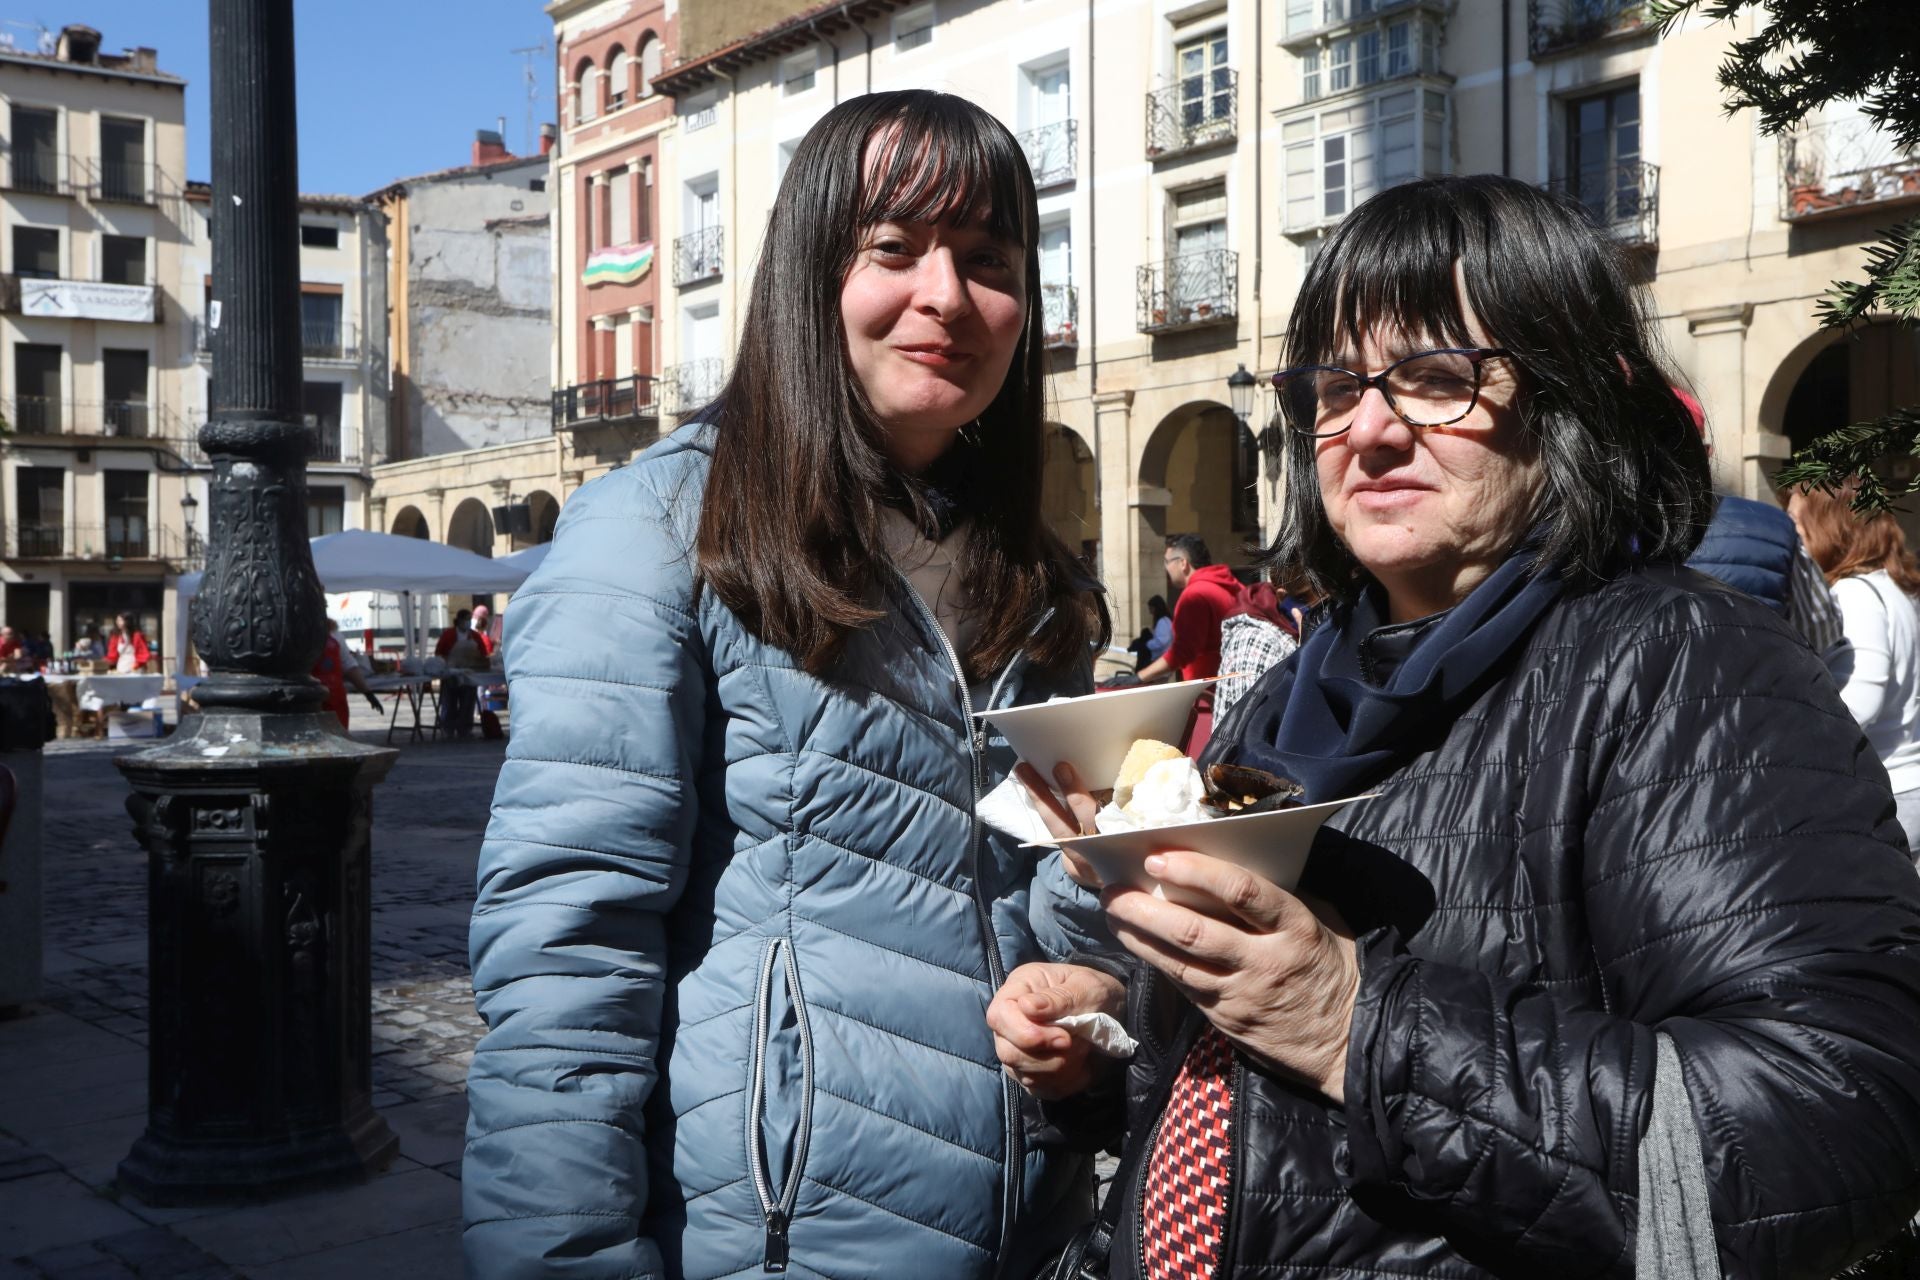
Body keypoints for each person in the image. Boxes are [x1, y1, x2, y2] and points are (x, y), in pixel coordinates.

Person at [989, 174, 1920, 1276]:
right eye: (1336, 387)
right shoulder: (1289, 693)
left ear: (1569, 400)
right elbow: (1270, 1107)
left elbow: (1835, 1128)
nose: (1370, 430)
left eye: (1437, 379)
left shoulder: (1687, 666)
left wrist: (1357, 1025)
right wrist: (1116, 1038)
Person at [464, 90, 1114, 1278]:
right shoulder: (655, 529)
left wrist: (1083, 966)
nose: (946, 295)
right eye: (894, 248)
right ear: (809, 273)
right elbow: (566, 952)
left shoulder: (1034, 573)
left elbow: (1035, 901)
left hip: (1037, 1233)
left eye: (989, 260)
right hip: (778, 1234)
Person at [1787, 481, 1920, 855]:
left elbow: (1860, 701)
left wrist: (1790, 735)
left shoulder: (1855, 593)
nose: (1790, 534)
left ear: (1832, 525)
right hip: (1907, 784)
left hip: (1886, 792)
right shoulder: (1892, 586)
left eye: (1795, 521)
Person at [312, 618, 379, 731]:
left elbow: (349, 666)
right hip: (309, 702)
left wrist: (368, 693)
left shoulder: (335, 635)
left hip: (335, 701)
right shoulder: (294, 633)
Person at [434, 608, 489, 737]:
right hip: (451, 673)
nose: (468, 622)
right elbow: (439, 653)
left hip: (469, 673)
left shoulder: (475, 636)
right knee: (449, 702)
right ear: (458, 620)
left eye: (469, 619)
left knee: (468, 702)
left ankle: (465, 729)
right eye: (466, 619)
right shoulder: (448, 634)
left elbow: (483, 654)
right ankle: (448, 729)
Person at [1126, 594, 1172, 670]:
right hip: (1161, 659)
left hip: (1161, 659)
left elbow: (1161, 641)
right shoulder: (1164, 621)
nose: (1150, 612)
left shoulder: (1163, 622)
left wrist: (1147, 644)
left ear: (1156, 608)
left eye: (1151, 608)